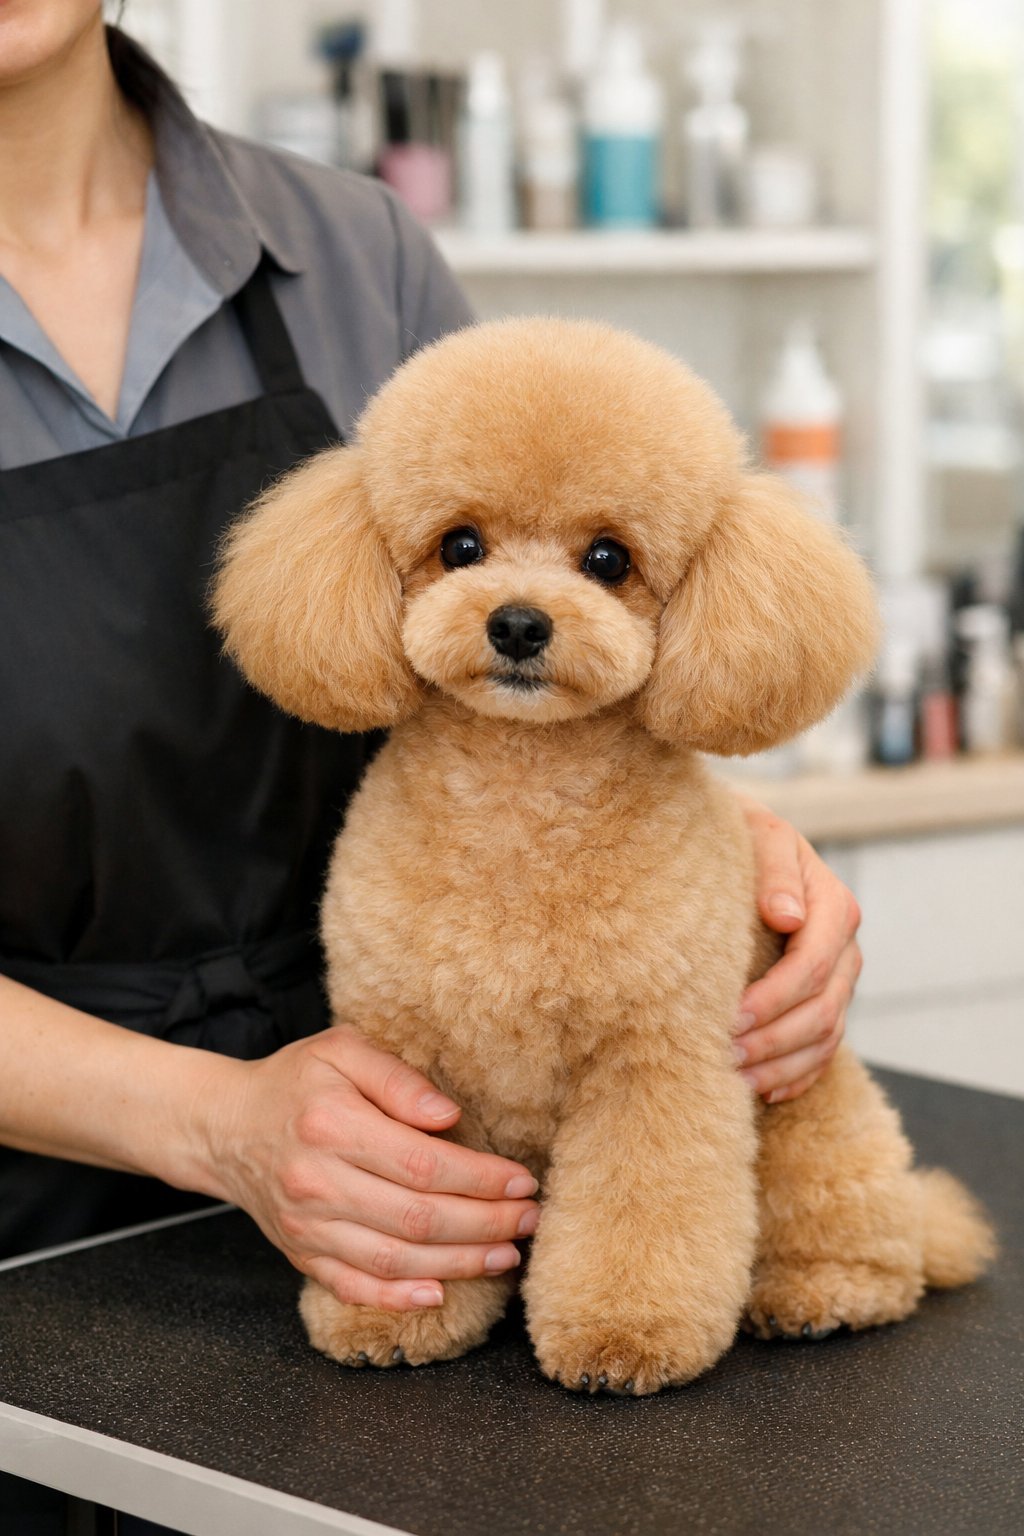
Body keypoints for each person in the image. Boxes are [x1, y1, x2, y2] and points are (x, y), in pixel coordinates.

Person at [0, 4, 863, 1528]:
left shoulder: (349, 248)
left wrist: (726, 853)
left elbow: (543, 641)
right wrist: (213, 1121)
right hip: (37, 1237)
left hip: (446, 1194)